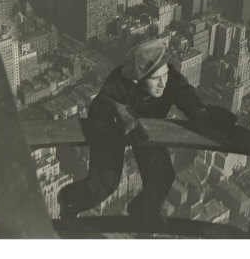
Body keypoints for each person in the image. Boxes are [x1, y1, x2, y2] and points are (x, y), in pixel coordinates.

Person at [58, 39, 234, 222]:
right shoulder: (120, 81)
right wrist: (120, 111)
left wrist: (202, 113)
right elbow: (101, 103)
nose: (162, 83)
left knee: (162, 175)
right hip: (114, 129)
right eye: (155, 78)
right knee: (104, 185)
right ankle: (69, 199)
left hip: (145, 129)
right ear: (137, 79)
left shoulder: (169, 77)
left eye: (164, 75)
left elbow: (186, 95)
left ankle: (143, 209)